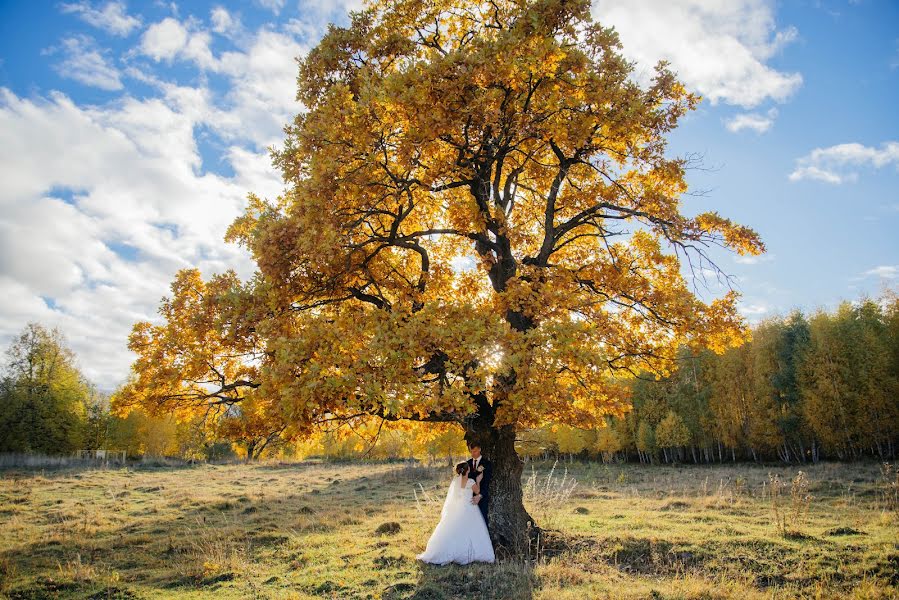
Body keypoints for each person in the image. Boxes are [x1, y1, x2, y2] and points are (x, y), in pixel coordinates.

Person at [416, 462, 495, 565]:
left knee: (453, 528)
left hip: (458, 507)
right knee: (472, 529)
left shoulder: (455, 481)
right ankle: (470, 552)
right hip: (470, 507)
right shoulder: (471, 481)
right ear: (467, 470)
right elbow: (477, 490)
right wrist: (479, 481)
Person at [466, 443, 492, 528]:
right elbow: (466, 479)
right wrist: (476, 473)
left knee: (482, 522)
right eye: (471, 451)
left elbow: (487, 482)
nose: (473, 453)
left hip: (482, 498)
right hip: (468, 498)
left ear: (480, 449)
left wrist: (480, 496)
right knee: (469, 523)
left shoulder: (487, 464)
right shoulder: (467, 464)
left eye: (475, 451)